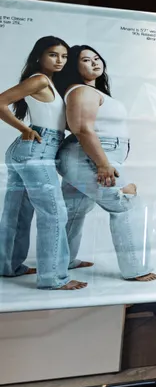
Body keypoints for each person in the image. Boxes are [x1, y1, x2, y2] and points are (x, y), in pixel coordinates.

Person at [56, 45, 156, 282]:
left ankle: (63, 260)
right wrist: (102, 164)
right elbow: (82, 129)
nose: (94, 62)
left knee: (74, 210)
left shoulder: (89, 91)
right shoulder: (81, 91)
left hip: (84, 155)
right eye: (85, 60)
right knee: (124, 204)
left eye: (96, 57)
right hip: (88, 156)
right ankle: (136, 269)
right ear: (74, 66)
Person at [0, 36, 86, 290]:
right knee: (54, 213)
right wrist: (24, 128)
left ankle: (9, 266)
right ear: (40, 56)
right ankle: (53, 278)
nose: (59, 60)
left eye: (64, 56)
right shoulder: (38, 79)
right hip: (36, 151)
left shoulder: (48, 82)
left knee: (17, 212)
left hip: (27, 152)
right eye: (53, 54)